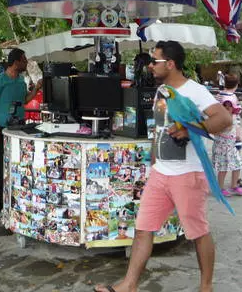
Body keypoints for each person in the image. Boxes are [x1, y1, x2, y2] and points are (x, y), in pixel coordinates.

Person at [94, 40, 232, 292]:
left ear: (170, 64)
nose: (149, 66)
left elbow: (224, 119)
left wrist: (190, 130)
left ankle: (206, 287)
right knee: (143, 228)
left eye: (154, 61)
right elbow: (157, 128)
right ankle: (129, 285)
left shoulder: (195, 91)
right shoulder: (161, 92)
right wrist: (154, 159)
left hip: (188, 174)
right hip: (160, 174)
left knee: (198, 232)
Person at [0, 49, 42, 222]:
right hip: (1, 129)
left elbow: (24, 100)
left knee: (17, 168)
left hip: (18, 128)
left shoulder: (20, 81)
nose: (26, 63)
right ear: (16, 61)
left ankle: (12, 203)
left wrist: (36, 89)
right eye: (24, 60)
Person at [212, 74, 242, 197]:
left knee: (232, 162)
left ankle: (230, 186)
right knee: (227, 163)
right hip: (228, 134)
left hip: (222, 134)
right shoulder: (232, 97)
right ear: (237, 85)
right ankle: (225, 187)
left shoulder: (219, 95)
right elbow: (236, 117)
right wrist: (238, 134)